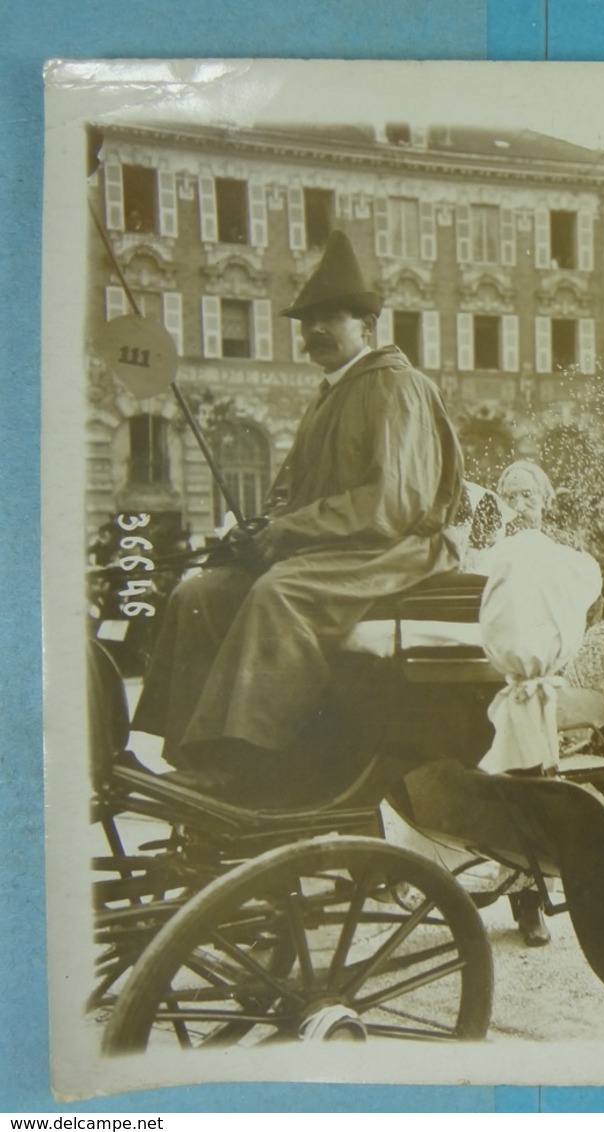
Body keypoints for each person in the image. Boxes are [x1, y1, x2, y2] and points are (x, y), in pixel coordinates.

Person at [132, 230, 464, 804]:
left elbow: (392, 505)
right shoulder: (329, 395)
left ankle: (250, 762)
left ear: (366, 325)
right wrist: (258, 532)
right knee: (200, 593)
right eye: (306, 321)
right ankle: (193, 755)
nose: (313, 332)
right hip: (336, 548)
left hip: (396, 551)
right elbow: (291, 496)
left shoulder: (395, 387)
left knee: (279, 593)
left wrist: (287, 533)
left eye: (328, 318)